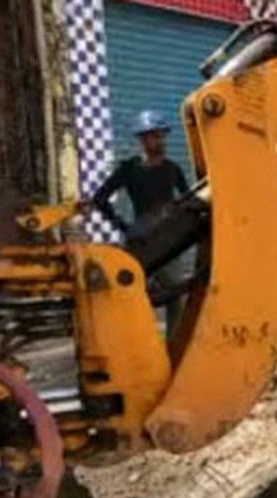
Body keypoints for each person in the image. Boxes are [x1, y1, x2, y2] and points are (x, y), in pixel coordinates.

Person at [87, 110, 190, 339]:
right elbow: (99, 198)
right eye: (154, 136)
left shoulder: (173, 169)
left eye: (162, 135)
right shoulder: (129, 169)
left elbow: (186, 200)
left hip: (168, 240)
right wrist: (123, 227)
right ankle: (144, 346)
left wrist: (181, 227)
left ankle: (172, 347)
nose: (160, 140)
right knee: (134, 296)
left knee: (175, 294)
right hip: (141, 242)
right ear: (142, 139)